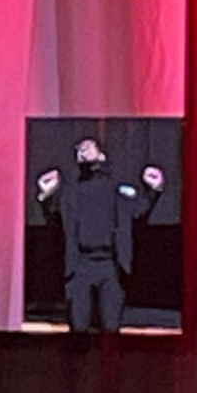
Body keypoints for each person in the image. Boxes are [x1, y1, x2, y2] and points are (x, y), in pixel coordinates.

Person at [36, 137, 165, 333]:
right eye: (79, 149)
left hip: (110, 267)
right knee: (78, 328)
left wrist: (153, 189)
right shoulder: (70, 192)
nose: (82, 150)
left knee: (111, 328)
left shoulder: (116, 190)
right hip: (79, 266)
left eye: (88, 147)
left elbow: (139, 210)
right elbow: (54, 217)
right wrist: (45, 195)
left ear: (101, 155)